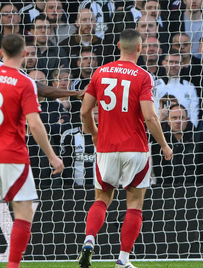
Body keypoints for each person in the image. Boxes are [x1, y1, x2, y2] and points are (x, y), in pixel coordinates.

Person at [77, 29, 173, 268]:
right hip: (135, 148)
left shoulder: (99, 72)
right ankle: (123, 259)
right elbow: (150, 118)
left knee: (101, 198)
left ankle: (89, 239)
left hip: (106, 148)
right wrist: (164, 145)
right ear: (140, 49)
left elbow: (84, 111)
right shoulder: (143, 76)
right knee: (134, 203)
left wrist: (95, 134)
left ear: (118, 45)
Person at [0, 34, 64, 268]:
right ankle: (13, 265)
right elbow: (35, 124)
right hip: (11, 156)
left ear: (1, 52)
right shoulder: (23, 82)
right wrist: (52, 156)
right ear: (25, 54)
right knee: (25, 211)